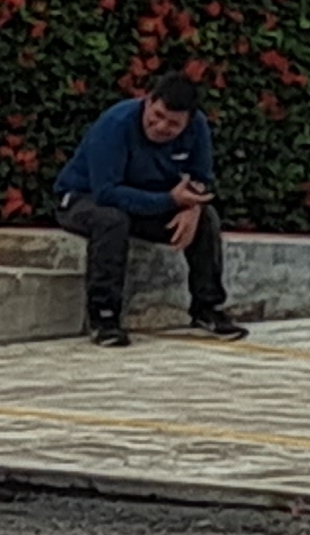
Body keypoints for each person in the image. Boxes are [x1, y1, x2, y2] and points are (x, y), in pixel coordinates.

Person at [58, 70, 243, 347]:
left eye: (173, 124)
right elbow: (107, 192)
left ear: (188, 122)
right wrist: (171, 201)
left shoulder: (198, 128)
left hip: (150, 200)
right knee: (111, 220)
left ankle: (208, 308)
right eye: (157, 116)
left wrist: (192, 208)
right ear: (147, 102)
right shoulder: (116, 123)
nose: (160, 127)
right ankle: (104, 317)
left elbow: (201, 177)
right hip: (84, 198)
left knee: (207, 218)